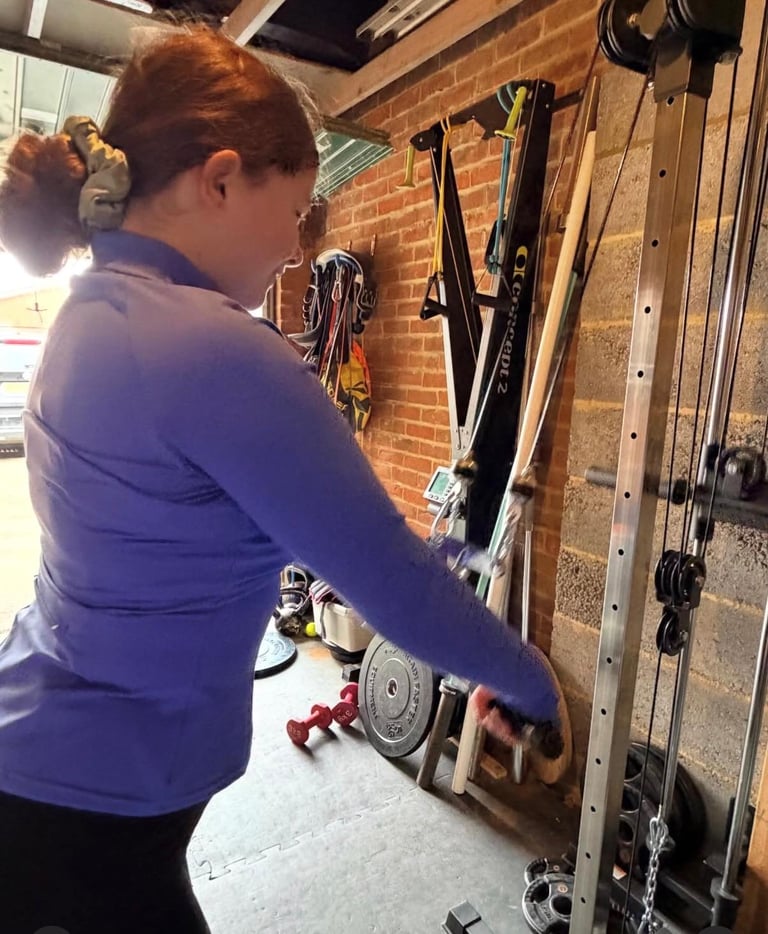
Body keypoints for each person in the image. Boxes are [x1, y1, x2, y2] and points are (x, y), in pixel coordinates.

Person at [0, 26, 562, 934]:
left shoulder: (93, 315)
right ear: (219, 181)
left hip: (57, 760)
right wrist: (528, 677)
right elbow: (393, 583)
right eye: (297, 209)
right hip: (85, 807)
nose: (298, 249)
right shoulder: (213, 347)